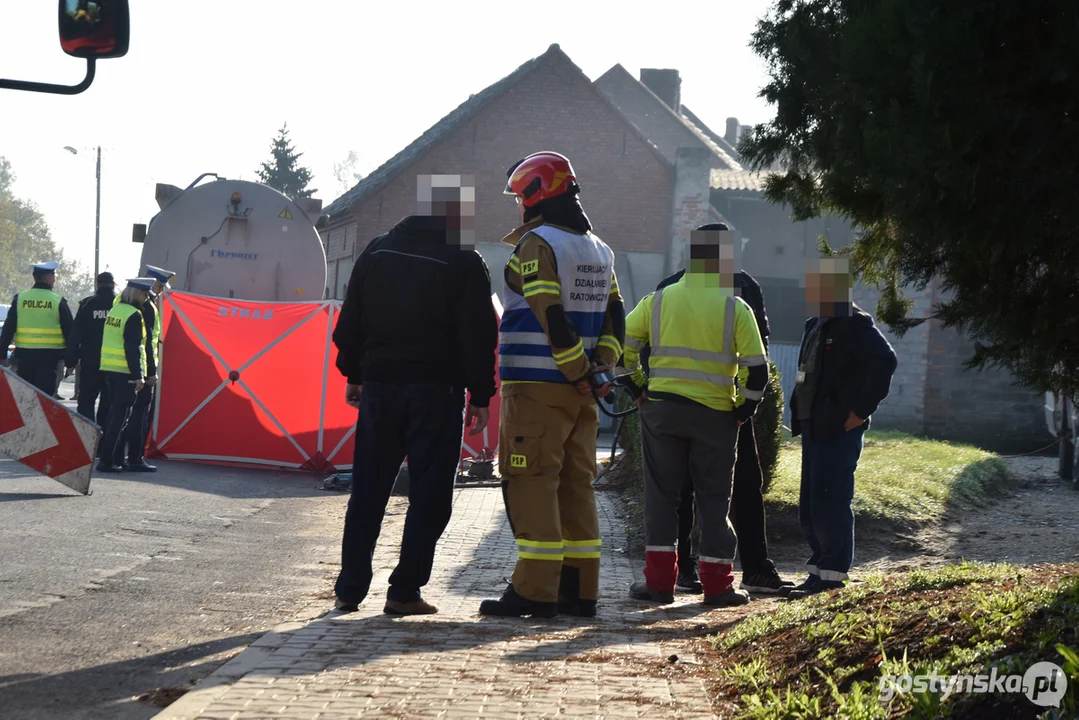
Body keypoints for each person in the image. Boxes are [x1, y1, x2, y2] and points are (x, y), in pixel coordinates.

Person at [331, 174, 498, 616]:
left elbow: (351, 318)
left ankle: (350, 589)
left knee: (367, 488)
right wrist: (481, 394)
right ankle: (404, 590)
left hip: (380, 387)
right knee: (429, 494)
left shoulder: (378, 249)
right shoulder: (463, 260)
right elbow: (479, 334)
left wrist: (353, 372)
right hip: (435, 392)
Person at [479, 151, 625, 619]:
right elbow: (615, 316)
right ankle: (580, 591)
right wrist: (598, 370)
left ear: (534, 194)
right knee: (574, 486)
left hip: (538, 391)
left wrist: (577, 369)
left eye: (521, 195)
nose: (518, 205)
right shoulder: (601, 249)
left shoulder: (537, 244)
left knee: (530, 481)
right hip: (580, 393)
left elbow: (549, 312)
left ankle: (535, 590)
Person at [621, 224, 768, 607]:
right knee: (715, 501)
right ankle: (718, 587)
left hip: (662, 412)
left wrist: (638, 389)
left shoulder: (657, 301)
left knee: (662, 499)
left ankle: (658, 585)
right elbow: (758, 370)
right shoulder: (735, 307)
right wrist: (744, 409)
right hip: (716, 416)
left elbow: (620, 348)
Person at [645, 225, 794, 596]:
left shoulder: (681, 287)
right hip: (723, 412)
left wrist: (646, 395)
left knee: (701, 490)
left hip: (700, 411)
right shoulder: (734, 289)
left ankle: (721, 570)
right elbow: (759, 358)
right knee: (716, 492)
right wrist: (745, 407)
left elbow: (642, 347)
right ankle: (707, 573)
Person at [786, 257, 897, 599]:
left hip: (838, 428)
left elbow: (885, 360)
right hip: (814, 426)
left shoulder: (853, 324)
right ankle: (819, 571)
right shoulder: (818, 323)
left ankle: (832, 578)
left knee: (831, 501)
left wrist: (860, 411)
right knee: (811, 505)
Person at [120, 265, 174, 472]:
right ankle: (135, 458)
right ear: (152, 283)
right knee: (139, 416)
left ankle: (120, 456)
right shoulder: (148, 307)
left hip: (122, 368)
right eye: (160, 286)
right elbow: (148, 344)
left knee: (124, 415)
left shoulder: (123, 302)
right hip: (140, 369)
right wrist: (151, 374)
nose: (161, 291)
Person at [97, 278, 153, 474]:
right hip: (125, 372)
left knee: (113, 417)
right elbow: (132, 348)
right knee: (119, 420)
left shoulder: (116, 310)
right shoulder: (134, 314)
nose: (147, 298)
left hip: (109, 369)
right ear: (136, 293)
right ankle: (106, 461)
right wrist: (138, 376)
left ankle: (108, 458)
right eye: (145, 294)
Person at [0, 262, 74, 396]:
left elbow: (8, 329)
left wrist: (2, 354)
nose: (54, 279)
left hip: (24, 357)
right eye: (53, 275)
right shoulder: (57, 301)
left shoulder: (20, 299)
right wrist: (71, 361)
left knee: (26, 397)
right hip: (49, 359)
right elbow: (70, 333)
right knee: (45, 398)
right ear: (47, 278)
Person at [68, 272, 117, 430]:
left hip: (90, 363)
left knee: (86, 402)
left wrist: (70, 361)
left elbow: (75, 335)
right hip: (115, 365)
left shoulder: (87, 305)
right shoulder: (121, 306)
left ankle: (87, 439)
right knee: (108, 404)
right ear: (114, 285)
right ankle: (104, 444)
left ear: (97, 285)